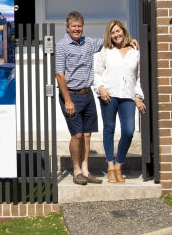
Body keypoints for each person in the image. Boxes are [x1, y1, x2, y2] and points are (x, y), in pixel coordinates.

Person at [93, 20, 145, 184]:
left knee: (129, 131)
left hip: (127, 96)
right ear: (109, 35)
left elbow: (138, 77)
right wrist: (100, 88)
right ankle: (110, 167)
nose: (116, 34)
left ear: (124, 31)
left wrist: (138, 96)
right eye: (112, 32)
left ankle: (118, 165)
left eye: (118, 31)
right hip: (109, 94)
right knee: (109, 129)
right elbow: (97, 72)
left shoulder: (135, 50)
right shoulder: (106, 50)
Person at [54, 11, 102, 185]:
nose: (77, 29)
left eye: (79, 26)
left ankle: (86, 170)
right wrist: (67, 100)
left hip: (87, 94)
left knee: (87, 135)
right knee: (77, 135)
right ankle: (76, 172)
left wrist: (129, 41)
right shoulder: (61, 46)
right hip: (71, 96)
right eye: (73, 26)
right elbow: (59, 75)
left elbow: (109, 42)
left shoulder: (88, 42)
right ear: (67, 28)